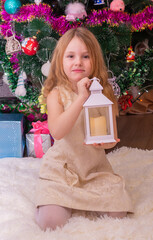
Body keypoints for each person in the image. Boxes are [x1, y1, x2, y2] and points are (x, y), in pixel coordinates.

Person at [35, 27, 133, 231]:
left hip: (94, 170)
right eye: (70, 56)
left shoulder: (103, 92)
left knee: (118, 213)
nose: (78, 62)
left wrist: (105, 142)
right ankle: (62, 201)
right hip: (63, 171)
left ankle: (84, 200)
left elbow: (109, 137)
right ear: (61, 61)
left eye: (85, 56)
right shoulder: (57, 94)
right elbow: (57, 132)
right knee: (50, 222)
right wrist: (81, 98)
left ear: (94, 60)